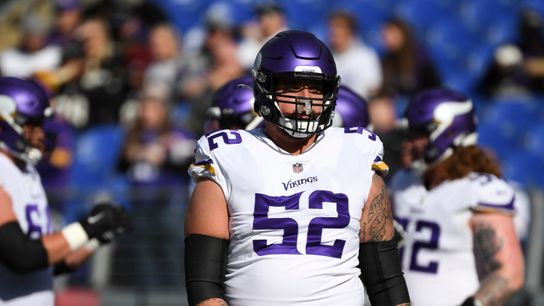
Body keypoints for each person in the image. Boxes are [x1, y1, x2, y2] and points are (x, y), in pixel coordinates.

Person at [185, 30, 410, 306]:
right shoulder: (227, 154)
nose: (306, 100)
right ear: (264, 88)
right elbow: (204, 283)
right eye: (292, 87)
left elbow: (385, 280)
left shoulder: (357, 152)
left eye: (316, 88)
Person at [0, 76, 130, 305]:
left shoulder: (25, 171)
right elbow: (20, 256)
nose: (41, 132)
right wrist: (87, 228)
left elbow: (47, 263)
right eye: (33, 124)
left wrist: (94, 237)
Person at [390, 88, 525, 306]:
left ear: (449, 133)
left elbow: (509, 273)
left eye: (419, 134)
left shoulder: (481, 190)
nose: (408, 143)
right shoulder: (403, 182)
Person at [327, 10, 382, 98]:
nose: (334, 31)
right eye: (332, 26)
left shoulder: (366, 56)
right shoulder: (325, 56)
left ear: (350, 31)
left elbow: (373, 88)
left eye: (339, 26)